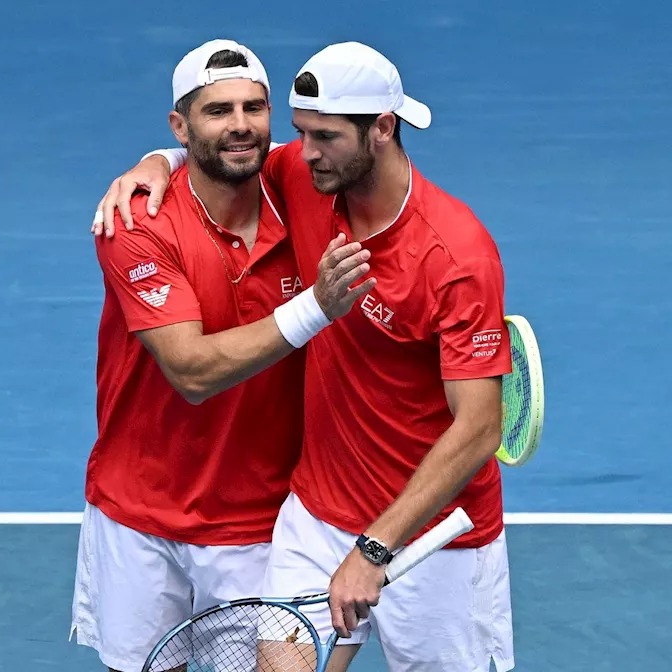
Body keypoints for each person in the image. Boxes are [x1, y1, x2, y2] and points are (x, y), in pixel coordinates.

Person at [92, 41, 516, 672]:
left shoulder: (456, 256)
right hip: (317, 516)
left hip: (431, 534)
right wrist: (158, 159)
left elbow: (479, 425)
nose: (301, 152)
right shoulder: (310, 181)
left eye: (324, 137)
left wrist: (375, 549)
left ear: (381, 129)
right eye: (299, 133)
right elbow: (222, 153)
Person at [72, 39, 376, 672]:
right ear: (181, 126)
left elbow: (373, 160)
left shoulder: (300, 185)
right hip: (139, 513)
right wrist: (316, 306)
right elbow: (190, 370)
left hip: (263, 525)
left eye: (254, 108)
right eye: (217, 111)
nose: (240, 125)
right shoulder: (138, 222)